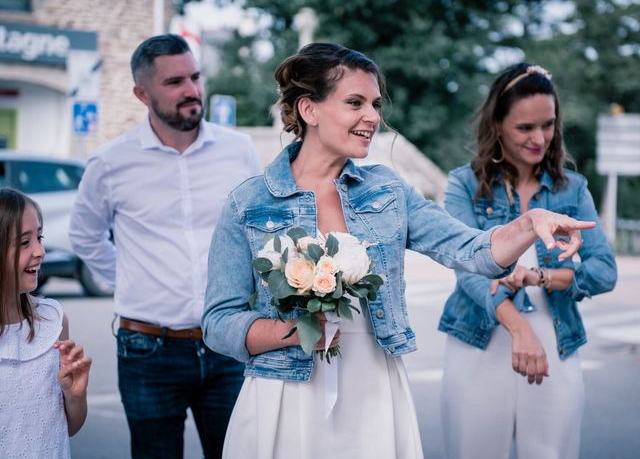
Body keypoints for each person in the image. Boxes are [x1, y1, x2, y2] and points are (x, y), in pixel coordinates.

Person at [200, 43, 596, 459]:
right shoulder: (247, 204)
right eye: (355, 102)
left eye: (374, 103)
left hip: (373, 386)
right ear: (309, 110)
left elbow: (470, 249)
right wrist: (298, 331)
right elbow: (218, 321)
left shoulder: (388, 191)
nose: (372, 116)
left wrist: (530, 223)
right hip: (284, 393)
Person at [69, 34, 262, 458]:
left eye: (195, 77)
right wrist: (133, 280)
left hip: (229, 343)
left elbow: (259, 230)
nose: (192, 90)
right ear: (142, 93)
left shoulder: (239, 151)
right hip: (147, 349)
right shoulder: (111, 162)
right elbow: (84, 235)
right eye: (175, 82)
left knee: (239, 452)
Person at [438, 63, 617, 459]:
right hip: (479, 339)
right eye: (525, 128)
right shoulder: (464, 185)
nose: (540, 138)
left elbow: (604, 272)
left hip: (557, 339)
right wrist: (520, 328)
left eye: (548, 125)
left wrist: (538, 276)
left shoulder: (573, 190)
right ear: (498, 124)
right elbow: (467, 265)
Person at [0, 187, 91, 459]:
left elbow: (67, 427)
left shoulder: (53, 321)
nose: (40, 251)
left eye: (39, 237)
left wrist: (75, 395)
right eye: (24, 243)